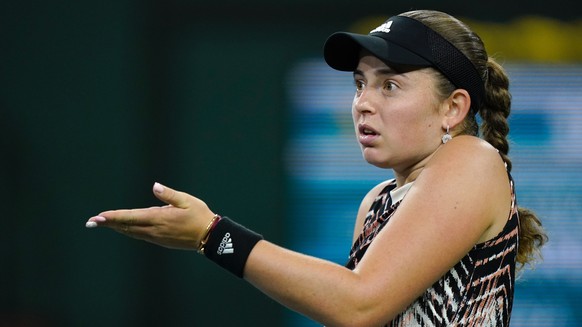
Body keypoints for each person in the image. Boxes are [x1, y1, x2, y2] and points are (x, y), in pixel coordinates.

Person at [86, 10, 548, 326]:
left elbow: (359, 302)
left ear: (453, 108)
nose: (363, 103)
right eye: (360, 83)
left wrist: (213, 235)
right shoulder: (377, 203)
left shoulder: (473, 160)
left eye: (390, 86)